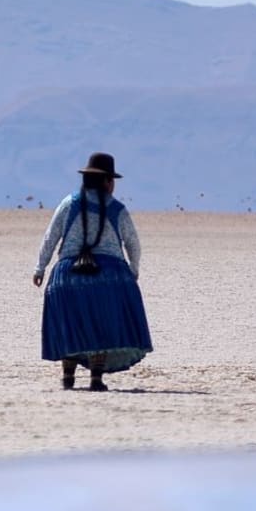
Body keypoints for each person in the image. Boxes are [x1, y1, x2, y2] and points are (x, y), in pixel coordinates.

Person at [32, 152, 152, 391]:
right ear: (108, 181)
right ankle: (96, 377)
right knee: (102, 323)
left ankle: (68, 376)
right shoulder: (117, 209)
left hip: (67, 275)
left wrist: (40, 267)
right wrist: (133, 271)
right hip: (109, 276)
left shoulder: (69, 203)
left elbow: (51, 236)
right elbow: (133, 244)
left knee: (71, 322)